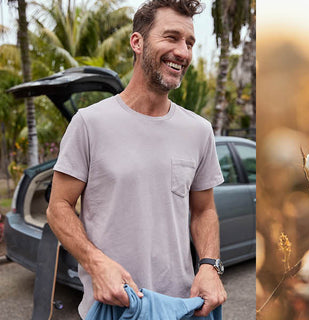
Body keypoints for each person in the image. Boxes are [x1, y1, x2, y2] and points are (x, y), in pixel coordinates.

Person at [46, 0, 226, 318]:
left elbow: (204, 209)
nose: (183, 52)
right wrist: (95, 262)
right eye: (171, 37)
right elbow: (58, 208)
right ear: (137, 42)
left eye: (189, 43)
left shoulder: (199, 130)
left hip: (181, 307)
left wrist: (210, 266)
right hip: (112, 305)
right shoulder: (89, 123)